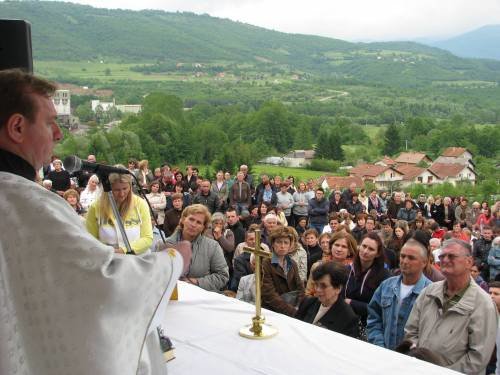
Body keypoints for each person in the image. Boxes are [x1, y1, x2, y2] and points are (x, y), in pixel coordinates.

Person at [0, 69, 182, 375]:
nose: (58, 134)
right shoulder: (29, 205)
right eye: (49, 122)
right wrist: (173, 261)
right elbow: (104, 284)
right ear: (17, 127)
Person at [404, 239, 498, 374]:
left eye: (451, 256)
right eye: (442, 256)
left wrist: (440, 372)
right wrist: (418, 362)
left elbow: (478, 358)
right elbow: (411, 331)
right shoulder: (429, 292)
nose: (445, 260)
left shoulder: (483, 304)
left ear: (469, 262)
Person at [367, 239, 432, 350]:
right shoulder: (386, 286)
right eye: (402, 256)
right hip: (383, 354)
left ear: (424, 262)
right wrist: (379, 346)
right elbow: (374, 319)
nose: (405, 261)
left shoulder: (431, 293)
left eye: (411, 258)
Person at [86, 172, 153, 255]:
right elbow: (90, 239)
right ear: (108, 189)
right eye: (116, 190)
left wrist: (123, 251)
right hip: (108, 258)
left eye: (125, 188)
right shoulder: (95, 207)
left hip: (137, 258)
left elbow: (147, 238)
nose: (121, 194)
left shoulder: (141, 204)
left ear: (130, 186)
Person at [166, 204, 229, 291]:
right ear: (183, 219)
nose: (193, 224)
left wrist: (197, 282)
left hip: (201, 299)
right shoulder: (164, 244)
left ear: (203, 227)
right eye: (191, 219)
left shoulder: (212, 247)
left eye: (199, 222)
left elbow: (223, 276)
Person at [344, 232, 390, 335]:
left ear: (378, 253)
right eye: (364, 246)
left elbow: (381, 309)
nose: (365, 251)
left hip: (368, 327)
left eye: (371, 249)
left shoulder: (384, 277)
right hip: (344, 320)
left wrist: (352, 303)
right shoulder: (347, 270)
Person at [297, 262, 359, 338]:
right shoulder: (307, 303)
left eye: (323, 286)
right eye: (316, 284)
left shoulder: (349, 318)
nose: (318, 289)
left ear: (338, 288)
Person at [262, 226, 305, 316]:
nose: (282, 246)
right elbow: (269, 294)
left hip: (293, 307)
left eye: (286, 243)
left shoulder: (292, 263)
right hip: (272, 310)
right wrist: (291, 311)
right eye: (279, 242)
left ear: (290, 245)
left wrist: (299, 306)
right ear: (273, 244)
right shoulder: (266, 263)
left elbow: (300, 287)